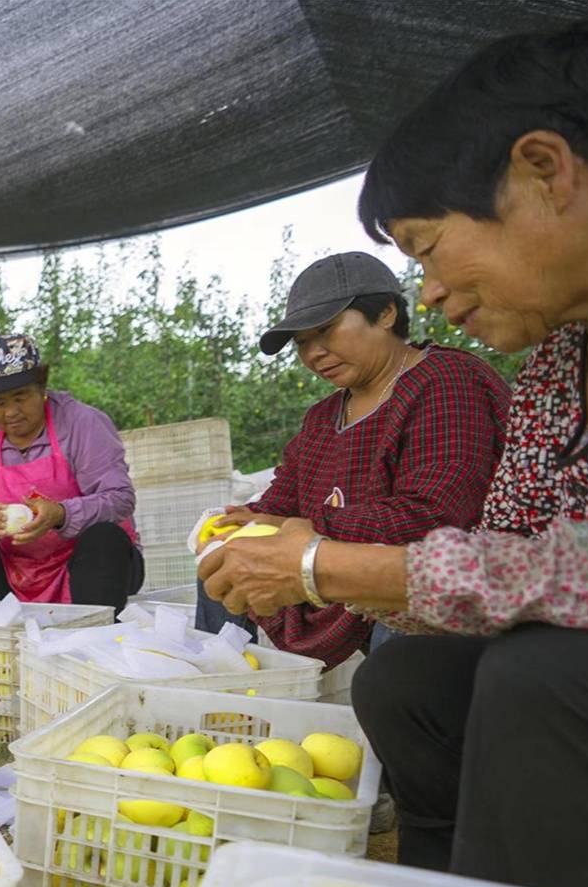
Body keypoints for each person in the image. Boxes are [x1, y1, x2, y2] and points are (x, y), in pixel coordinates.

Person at [200, 23, 588, 887]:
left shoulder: (455, 384)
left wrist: (321, 560)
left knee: (549, 680)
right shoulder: (555, 368)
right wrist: (285, 548)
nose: (428, 287)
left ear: (545, 172)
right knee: (410, 682)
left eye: (427, 248)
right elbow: (503, 543)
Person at [196, 253, 511, 666]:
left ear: (385, 313)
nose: (314, 353)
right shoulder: (324, 417)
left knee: (399, 643)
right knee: (220, 560)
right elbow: (280, 503)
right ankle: (217, 682)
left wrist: (307, 530)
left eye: (326, 330)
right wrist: (241, 522)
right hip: (332, 578)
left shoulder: (446, 380)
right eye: (303, 342)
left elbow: (435, 518)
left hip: (434, 590)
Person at [0, 334, 142, 608]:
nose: (11, 412)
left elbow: (120, 498)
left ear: (41, 386)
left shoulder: (83, 423)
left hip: (89, 568)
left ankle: (95, 638)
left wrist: (61, 514)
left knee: (104, 538)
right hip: (15, 572)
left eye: (20, 397)